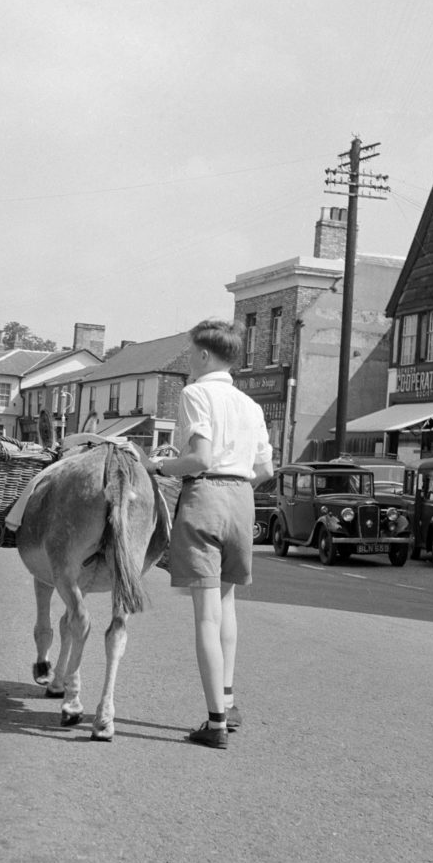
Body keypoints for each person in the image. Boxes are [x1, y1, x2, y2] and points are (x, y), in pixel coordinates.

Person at [141, 318, 273, 750]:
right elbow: (266, 470)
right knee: (227, 605)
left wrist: (156, 466)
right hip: (242, 498)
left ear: (202, 354)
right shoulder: (250, 405)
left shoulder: (195, 393)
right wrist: (235, 490)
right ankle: (229, 703)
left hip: (207, 497)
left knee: (205, 616)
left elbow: (199, 457)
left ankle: (215, 723)